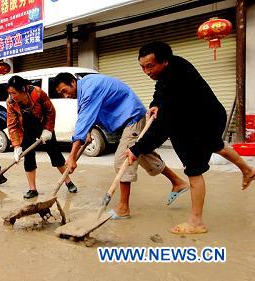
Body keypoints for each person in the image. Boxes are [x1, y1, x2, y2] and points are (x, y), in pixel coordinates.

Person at [126, 41, 255, 234]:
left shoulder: (176, 77)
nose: (146, 72)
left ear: (165, 61)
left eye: (150, 66)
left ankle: (196, 222)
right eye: (142, 67)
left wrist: (137, 149)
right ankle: (247, 170)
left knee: (194, 169)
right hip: (204, 115)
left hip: (201, 120)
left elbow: (163, 127)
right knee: (216, 145)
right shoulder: (171, 69)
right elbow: (160, 92)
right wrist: (155, 103)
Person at [53, 72, 189, 219]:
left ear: (73, 82)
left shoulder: (90, 88)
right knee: (143, 154)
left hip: (133, 117)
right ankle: (178, 182)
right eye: (61, 94)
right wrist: (88, 132)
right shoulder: (85, 87)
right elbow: (87, 115)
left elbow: (84, 118)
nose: (65, 96)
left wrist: (72, 156)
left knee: (122, 159)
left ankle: (124, 208)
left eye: (65, 91)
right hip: (128, 119)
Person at [6, 75, 78, 199]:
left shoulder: (37, 93)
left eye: (14, 93)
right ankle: (32, 189)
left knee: (55, 155)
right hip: (27, 130)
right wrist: (16, 146)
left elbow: (51, 111)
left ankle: (68, 182)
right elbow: (12, 125)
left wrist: (48, 129)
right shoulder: (11, 103)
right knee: (28, 159)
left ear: (23, 89)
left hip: (44, 127)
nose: (12, 96)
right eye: (10, 93)